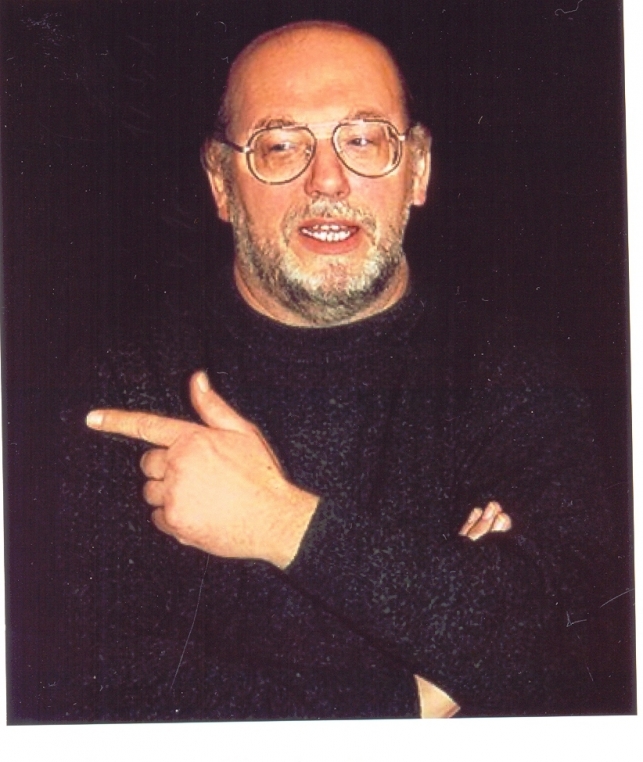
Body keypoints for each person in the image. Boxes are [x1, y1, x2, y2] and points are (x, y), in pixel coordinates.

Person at [49, 21, 608, 722]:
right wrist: (414, 688)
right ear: (221, 183)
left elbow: (573, 655)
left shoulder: (515, 376)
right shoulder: (124, 385)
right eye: (280, 146)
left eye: (364, 139)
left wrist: (277, 522)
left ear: (417, 171)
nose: (328, 180)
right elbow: (102, 704)